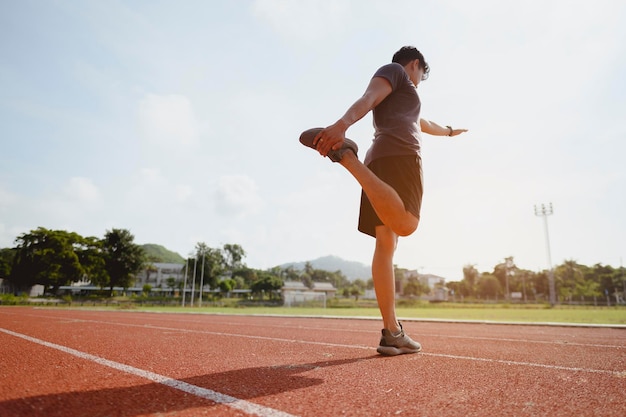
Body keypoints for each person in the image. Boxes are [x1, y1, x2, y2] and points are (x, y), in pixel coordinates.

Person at [299, 46, 467, 356]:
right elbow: (368, 99)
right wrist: (341, 125)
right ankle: (349, 160)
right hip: (400, 157)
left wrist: (449, 132)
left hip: (380, 163)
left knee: (385, 245)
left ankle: (392, 332)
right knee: (406, 224)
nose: (417, 83)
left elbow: (423, 123)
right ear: (415, 64)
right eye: (420, 76)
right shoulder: (397, 73)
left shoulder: (404, 99)